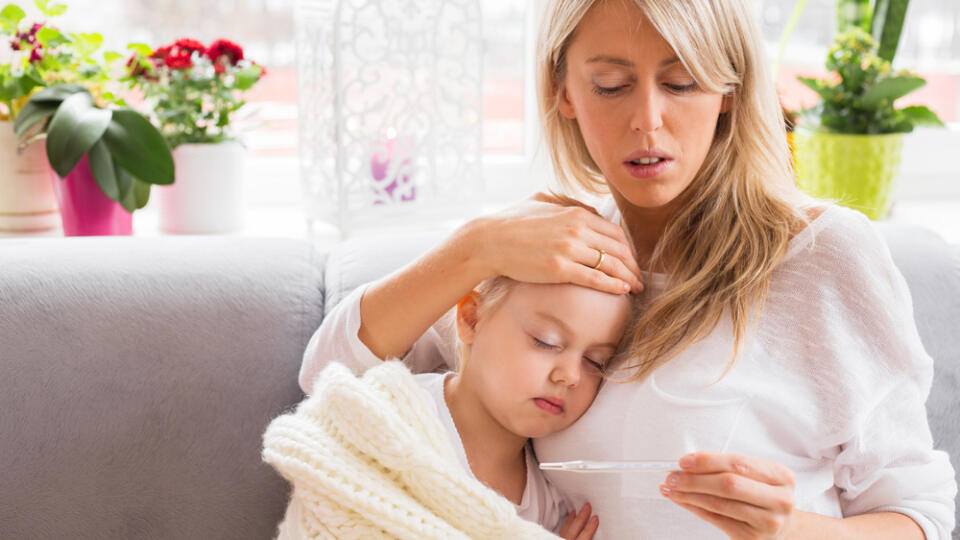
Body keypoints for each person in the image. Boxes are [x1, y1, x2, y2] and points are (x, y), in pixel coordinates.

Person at [300, 0, 957, 538]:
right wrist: (475, 248)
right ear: (563, 92)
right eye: (610, 86)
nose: (648, 120)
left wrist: (792, 530)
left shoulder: (822, 256)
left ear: (728, 90)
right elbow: (333, 377)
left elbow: (922, 516)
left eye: (681, 83)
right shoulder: (543, 257)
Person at [298, 277, 633, 539]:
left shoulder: (548, 505)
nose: (570, 376)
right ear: (472, 318)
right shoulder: (394, 414)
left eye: (594, 361)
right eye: (545, 341)